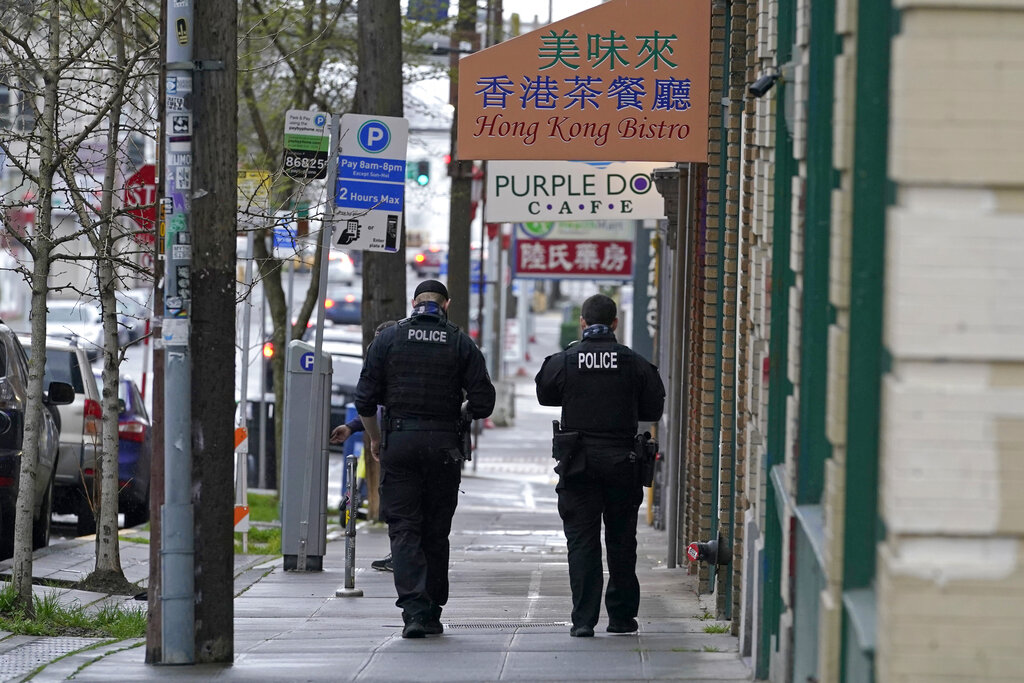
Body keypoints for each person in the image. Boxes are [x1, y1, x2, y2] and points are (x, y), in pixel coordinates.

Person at [354, 279, 495, 638]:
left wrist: (374, 439)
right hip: (444, 446)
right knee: (436, 528)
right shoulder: (461, 342)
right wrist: (461, 411)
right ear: (445, 305)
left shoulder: (387, 340)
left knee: (404, 528)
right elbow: (484, 402)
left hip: (399, 443)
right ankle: (432, 609)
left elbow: (365, 400)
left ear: (414, 302)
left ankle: (414, 611)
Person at [534, 293, 666, 638]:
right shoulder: (634, 363)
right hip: (623, 461)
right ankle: (622, 618)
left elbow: (545, 393)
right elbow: (653, 410)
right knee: (622, 540)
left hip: (579, 463)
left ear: (582, 322)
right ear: (615, 323)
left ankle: (583, 620)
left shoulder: (566, 360)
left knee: (582, 541)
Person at [330, 320, 398, 572]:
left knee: (400, 506)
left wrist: (374, 438)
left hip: (399, 446)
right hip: (411, 444)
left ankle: (403, 556)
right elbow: (376, 409)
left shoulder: (395, 369)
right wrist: (352, 427)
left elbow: (374, 406)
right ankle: (404, 555)